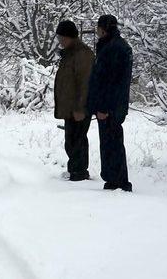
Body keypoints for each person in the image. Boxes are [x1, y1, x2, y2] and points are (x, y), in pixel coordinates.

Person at [87, 15, 133, 192]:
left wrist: (104, 107)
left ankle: (118, 180)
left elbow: (111, 81)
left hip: (110, 107)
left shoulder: (113, 49)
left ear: (104, 29)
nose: (96, 30)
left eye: (98, 27)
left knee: (111, 142)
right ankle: (114, 179)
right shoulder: (116, 46)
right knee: (111, 142)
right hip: (114, 105)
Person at [54, 20, 95, 181]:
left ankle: (79, 173)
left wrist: (80, 108)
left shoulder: (82, 54)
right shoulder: (70, 53)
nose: (59, 40)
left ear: (69, 37)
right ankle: (74, 170)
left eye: (61, 37)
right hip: (70, 107)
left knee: (77, 140)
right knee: (71, 140)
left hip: (78, 108)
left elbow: (85, 83)